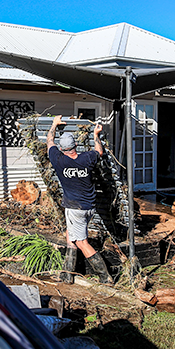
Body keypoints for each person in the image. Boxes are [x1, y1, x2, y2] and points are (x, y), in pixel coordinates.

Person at [47, 115, 112, 284]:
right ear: (76, 145)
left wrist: (54, 124)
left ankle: (105, 277)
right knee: (71, 236)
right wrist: (96, 135)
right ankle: (67, 275)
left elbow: (49, 142)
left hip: (75, 209)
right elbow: (99, 152)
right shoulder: (87, 158)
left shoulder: (58, 160)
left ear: (62, 149)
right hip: (89, 207)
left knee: (82, 242)